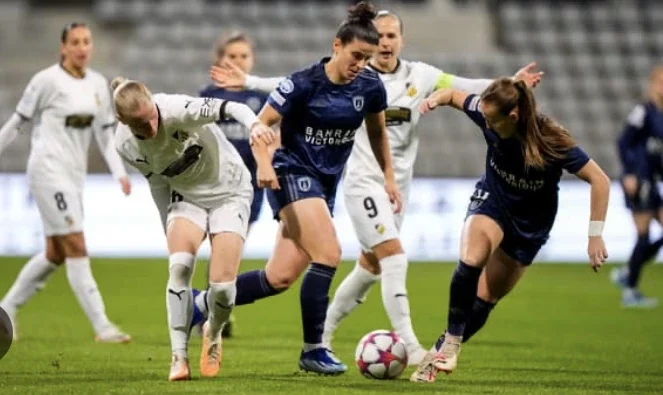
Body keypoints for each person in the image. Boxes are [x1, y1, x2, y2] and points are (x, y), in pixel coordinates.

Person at [205, 10, 543, 365]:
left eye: (391, 36)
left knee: (333, 270)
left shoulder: (415, 77)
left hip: (385, 184)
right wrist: (251, 81)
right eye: (378, 36)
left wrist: (509, 82)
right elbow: (292, 85)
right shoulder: (338, 77)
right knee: (383, 256)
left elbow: (465, 84)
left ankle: (207, 306)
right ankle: (399, 347)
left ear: (401, 40)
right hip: (355, 183)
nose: (384, 43)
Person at [410, 78, 610, 383]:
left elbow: (600, 180)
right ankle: (451, 342)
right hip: (493, 200)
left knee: (486, 298)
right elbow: (453, 94)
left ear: (513, 117)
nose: (486, 125)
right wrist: (435, 100)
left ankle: (435, 356)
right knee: (471, 258)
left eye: (492, 120)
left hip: (530, 224)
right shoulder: (487, 111)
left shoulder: (551, 140)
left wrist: (594, 234)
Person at [112, 76, 273, 381]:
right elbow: (157, 182)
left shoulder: (177, 108)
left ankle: (213, 328)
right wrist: (167, 227)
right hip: (185, 196)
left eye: (152, 118)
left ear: (153, 101)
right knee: (179, 265)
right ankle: (178, 357)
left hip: (230, 190)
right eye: (140, 126)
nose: (152, 129)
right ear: (121, 121)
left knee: (224, 288)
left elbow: (233, 108)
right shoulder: (125, 145)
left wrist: (255, 125)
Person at [0, 22, 131, 343]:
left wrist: (120, 172)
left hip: (74, 176)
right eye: (75, 42)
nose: (82, 47)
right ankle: (102, 326)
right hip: (47, 171)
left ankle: (6, 311)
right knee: (76, 244)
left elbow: (103, 133)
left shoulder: (99, 83)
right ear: (64, 48)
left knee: (55, 253)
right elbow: (18, 122)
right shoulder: (46, 81)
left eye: (87, 41)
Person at [195, 31, 272, 338]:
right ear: (220, 60)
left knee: (230, 254)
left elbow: (271, 137)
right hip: (212, 185)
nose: (239, 61)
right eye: (232, 56)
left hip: (249, 187)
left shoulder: (262, 99)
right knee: (216, 251)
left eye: (244, 56)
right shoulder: (206, 95)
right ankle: (213, 314)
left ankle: (214, 312)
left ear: (251, 61)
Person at [610, 66, 663, 309]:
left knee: (648, 237)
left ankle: (628, 271)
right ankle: (630, 289)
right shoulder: (643, 111)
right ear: (652, 84)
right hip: (638, 180)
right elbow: (624, 142)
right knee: (643, 236)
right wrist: (630, 172)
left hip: (652, 180)